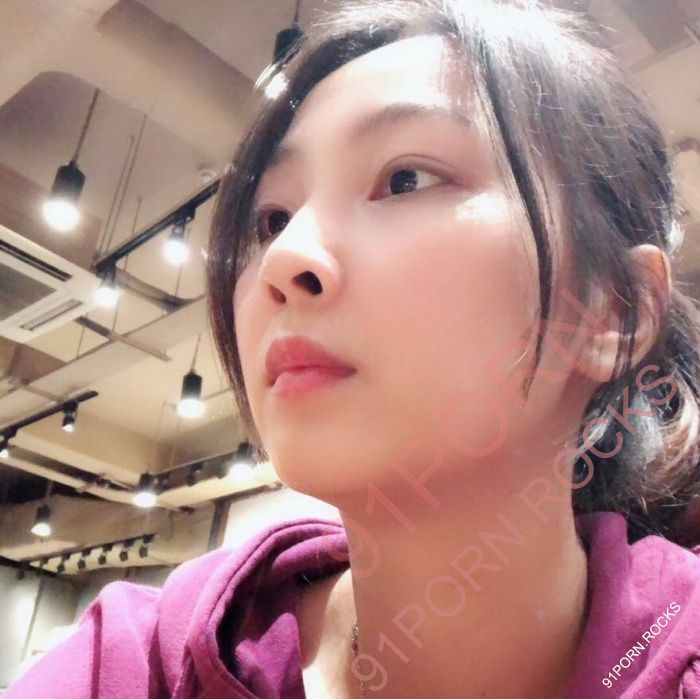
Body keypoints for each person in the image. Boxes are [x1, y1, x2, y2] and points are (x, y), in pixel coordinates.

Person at [6, 0, 700, 697]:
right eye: (272, 219)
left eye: (405, 179)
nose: (285, 257)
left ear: (613, 310)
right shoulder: (147, 658)